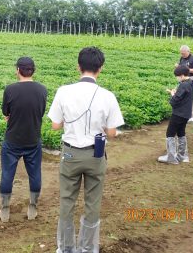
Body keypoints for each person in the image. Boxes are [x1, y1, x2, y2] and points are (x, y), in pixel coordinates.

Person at [48, 47, 124, 253]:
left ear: (78, 67)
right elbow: (111, 132)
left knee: (67, 201)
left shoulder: (63, 91)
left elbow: (55, 125)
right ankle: (88, 248)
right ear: (100, 69)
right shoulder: (108, 96)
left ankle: (65, 248)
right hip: (95, 155)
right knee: (93, 203)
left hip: (70, 154)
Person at [0, 57, 47, 223]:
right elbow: (40, 112)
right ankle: (33, 206)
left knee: (7, 174)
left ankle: (5, 210)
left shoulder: (10, 89)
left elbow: (6, 112)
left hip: (13, 140)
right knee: (35, 174)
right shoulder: (42, 90)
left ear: (18, 70)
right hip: (33, 139)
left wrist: (11, 117)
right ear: (33, 70)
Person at [158, 65, 193, 164]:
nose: (177, 78)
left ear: (182, 75)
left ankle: (171, 157)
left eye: (177, 76)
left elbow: (175, 101)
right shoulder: (192, 83)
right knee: (181, 133)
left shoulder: (183, 85)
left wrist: (172, 94)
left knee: (170, 133)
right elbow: (185, 96)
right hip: (186, 113)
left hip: (179, 113)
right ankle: (182, 156)